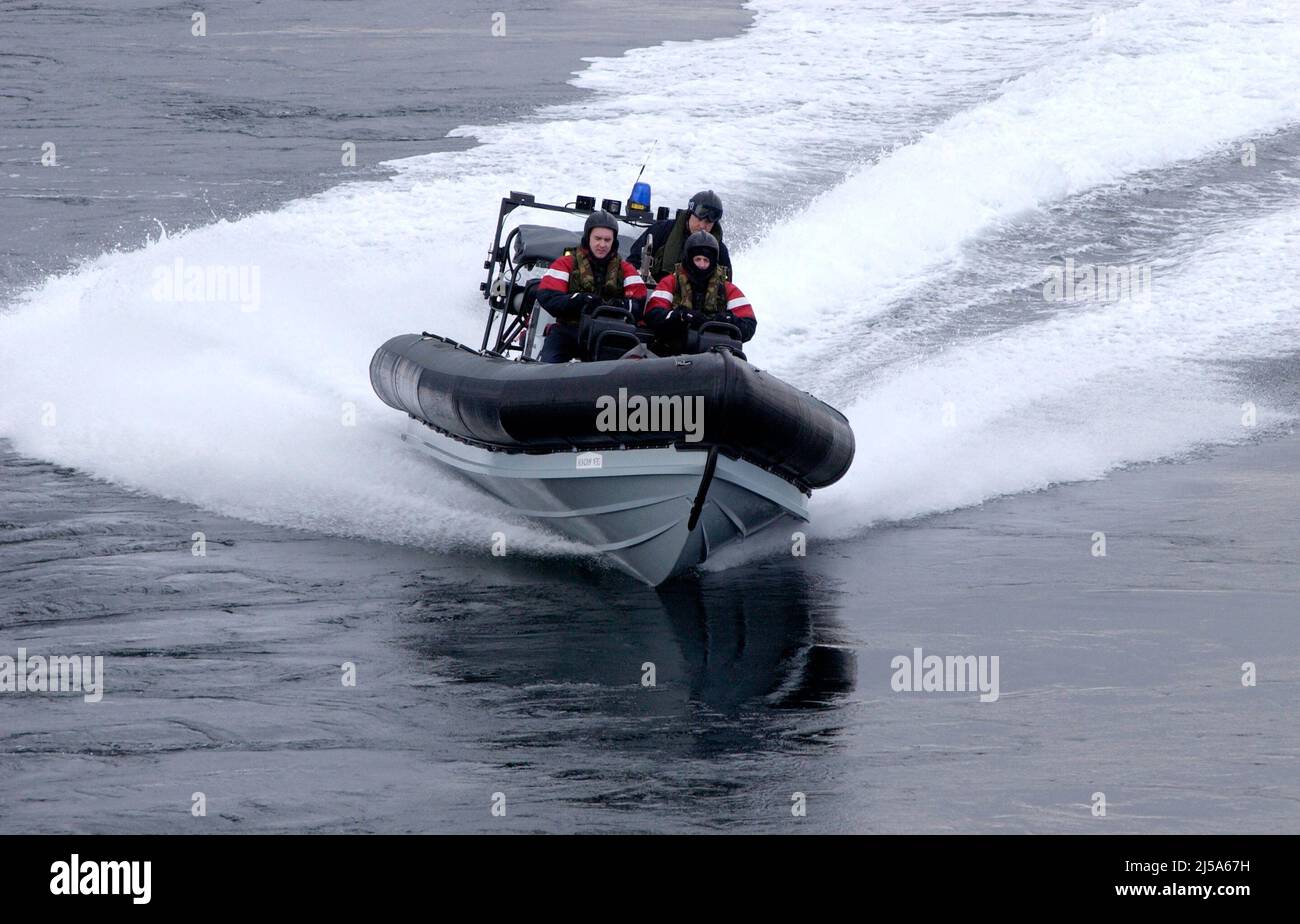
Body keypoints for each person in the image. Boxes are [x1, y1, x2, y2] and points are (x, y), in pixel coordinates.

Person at [535, 210, 648, 363]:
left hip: (610, 334)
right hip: (569, 331)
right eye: (598, 238)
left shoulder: (626, 269)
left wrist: (614, 306)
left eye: (607, 240)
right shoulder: (566, 263)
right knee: (549, 363)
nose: (602, 244)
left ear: (614, 241)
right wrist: (580, 300)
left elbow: (639, 304)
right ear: (588, 237)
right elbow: (548, 296)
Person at [643, 231, 755, 353]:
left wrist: (728, 319)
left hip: (714, 355)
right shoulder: (671, 282)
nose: (701, 265)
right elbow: (653, 314)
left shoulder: (727, 289)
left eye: (706, 260)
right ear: (689, 259)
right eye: (698, 259)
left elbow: (749, 325)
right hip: (672, 353)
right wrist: (680, 316)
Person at [629, 189, 732, 283]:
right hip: (656, 292)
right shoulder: (662, 230)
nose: (702, 226)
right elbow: (633, 260)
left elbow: (727, 284)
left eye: (708, 222)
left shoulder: (719, 251)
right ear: (690, 214)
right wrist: (639, 273)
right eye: (699, 219)